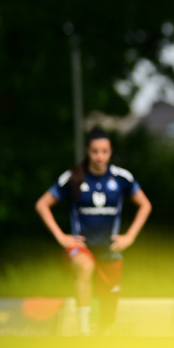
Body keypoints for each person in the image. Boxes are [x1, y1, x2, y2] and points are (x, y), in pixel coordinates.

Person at [35, 127, 152, 335]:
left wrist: (130, 236)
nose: (100, 156)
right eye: (95, 151)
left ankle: (99, 333)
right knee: (85, 267)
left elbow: (145, 205)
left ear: (110, 152)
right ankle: (83, 331)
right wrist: (61, 236)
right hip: (81, 248)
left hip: (109, 250)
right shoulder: (73, 178)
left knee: (108, 318)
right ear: (88, 152)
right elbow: (42, 204)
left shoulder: (121, 178)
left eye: (104, 151)